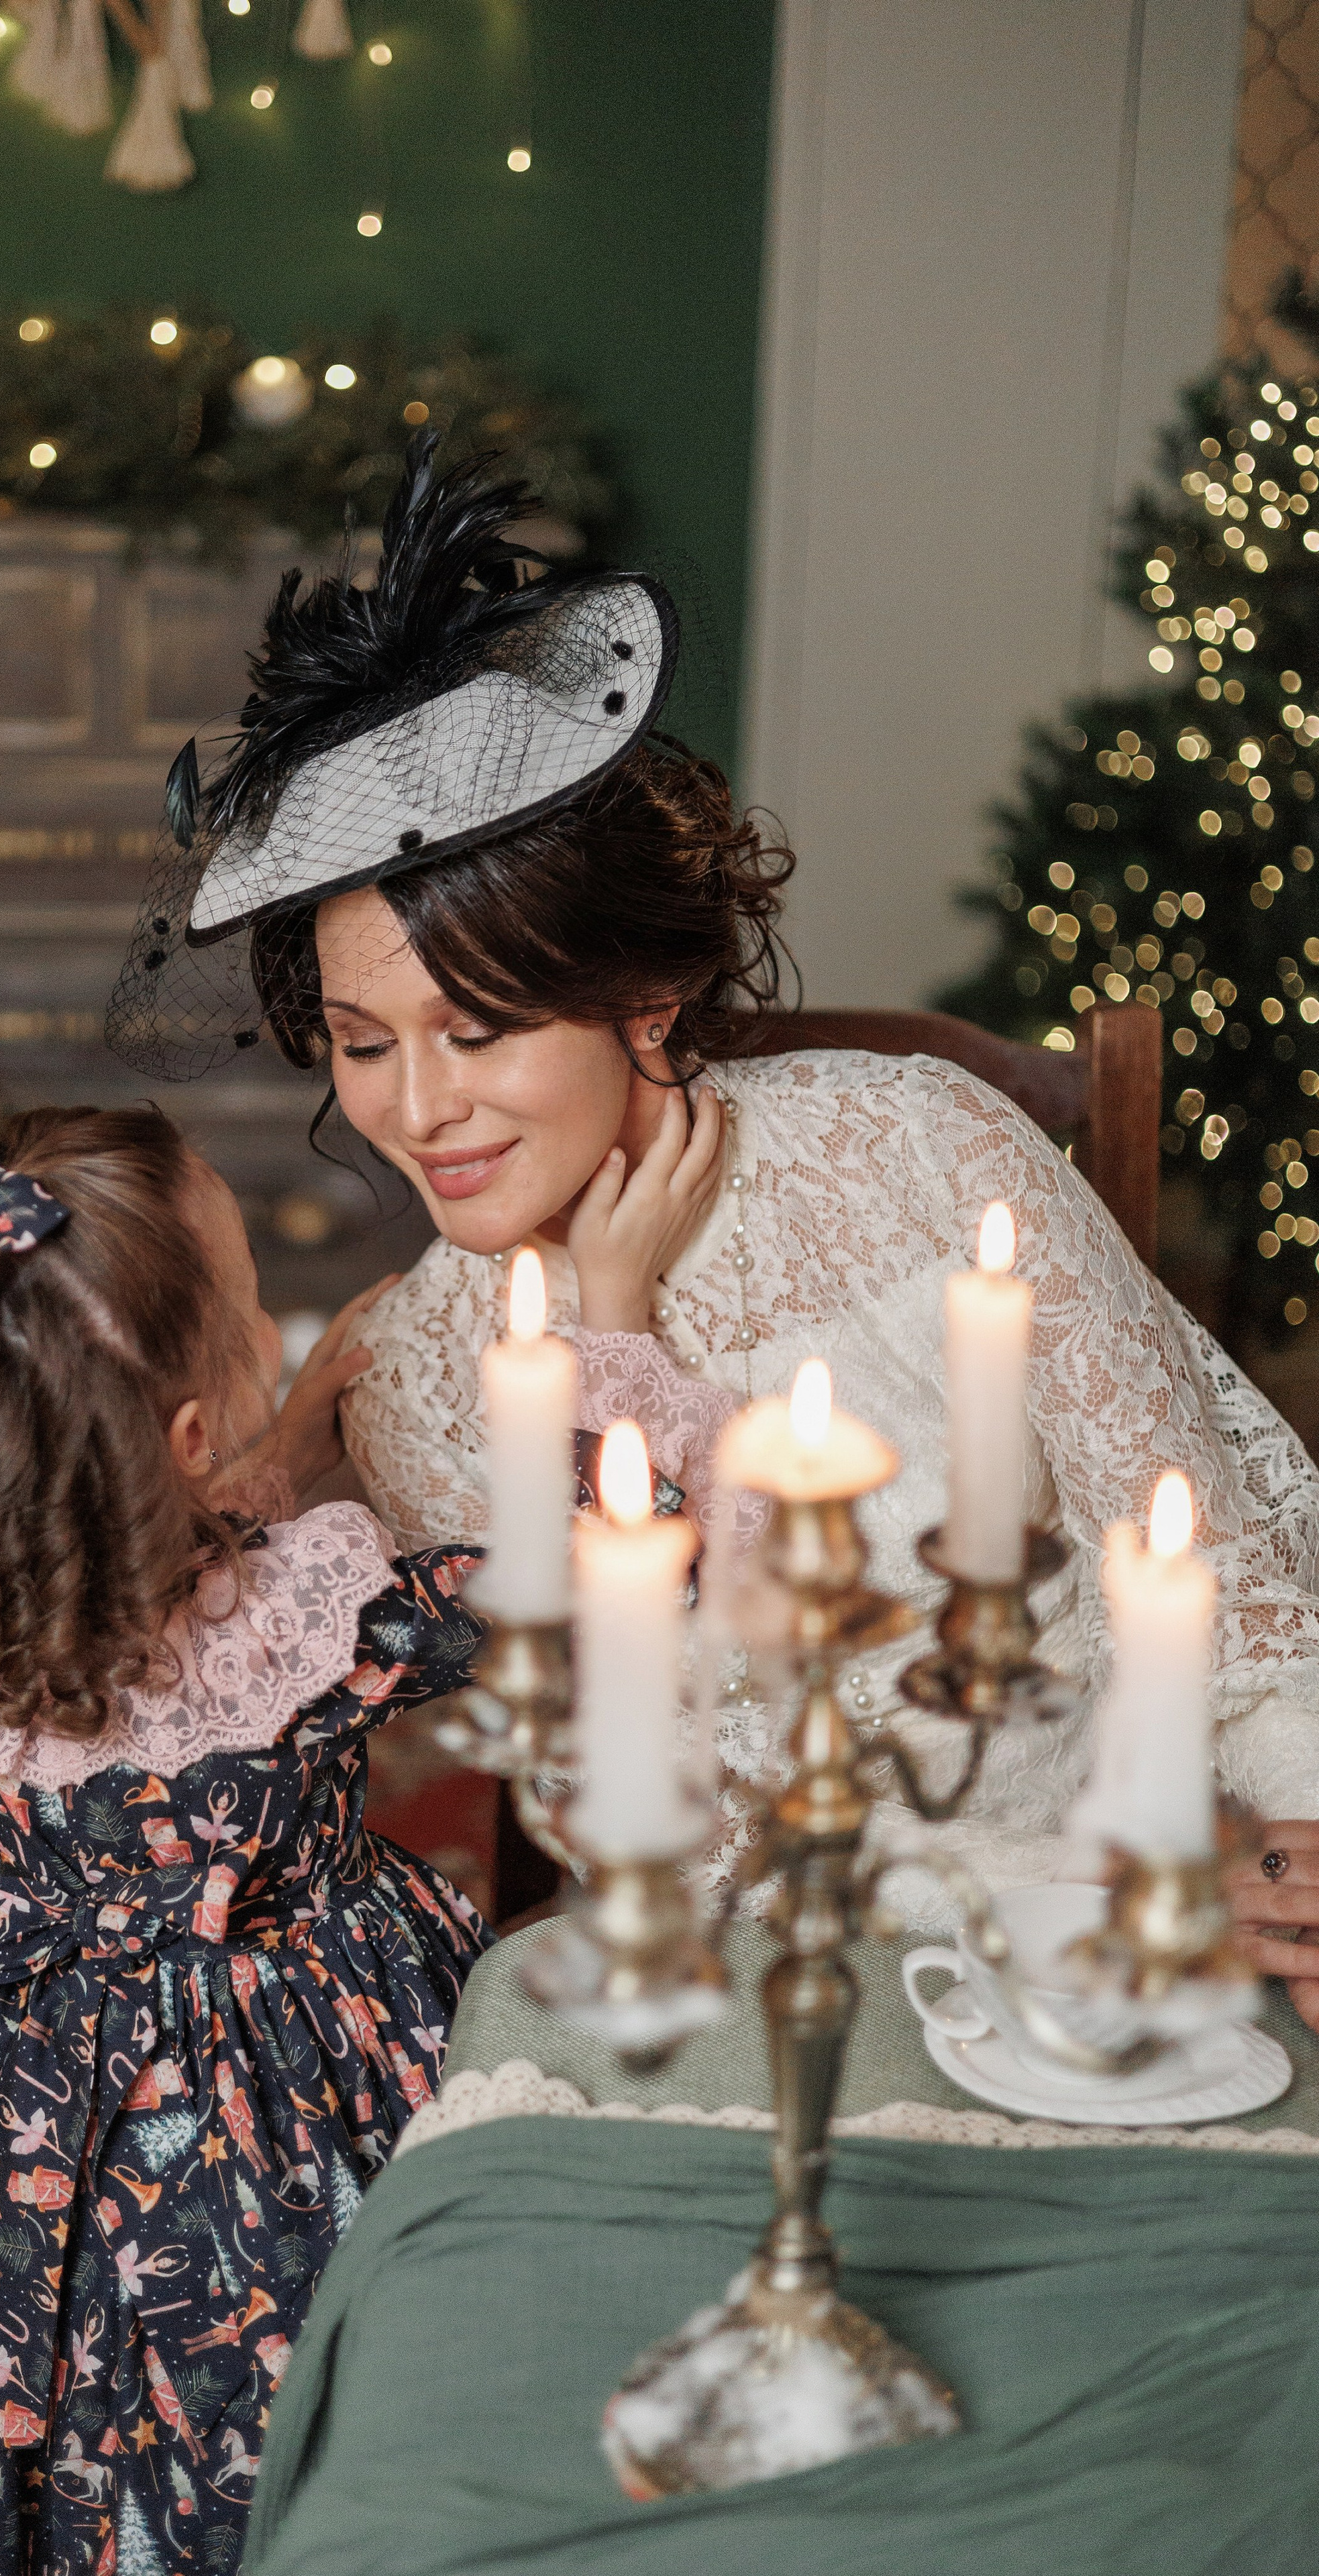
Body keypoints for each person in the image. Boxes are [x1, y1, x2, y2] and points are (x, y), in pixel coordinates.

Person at [110, 434, 1319, 2026]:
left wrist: (1285, 1853)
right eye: (361, 1040)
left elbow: (1231, 1582)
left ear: (642, 1000)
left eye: (475, 1031)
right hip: (782, 2003)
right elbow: (666, 1842)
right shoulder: (417, 1372)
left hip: (1152, 1924)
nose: (415, 1113)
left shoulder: (923, 1147)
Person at [0, 1106, 494, 2576]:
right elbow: (539, 1561)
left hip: (29, 2055)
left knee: (39, 2331)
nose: (272, 1316)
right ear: (191, 1443)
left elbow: (167, 1579)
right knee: (305, 2355)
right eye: (253, 1297)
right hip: (294, 2039)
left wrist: (278, 1448)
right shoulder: (309, 1622)